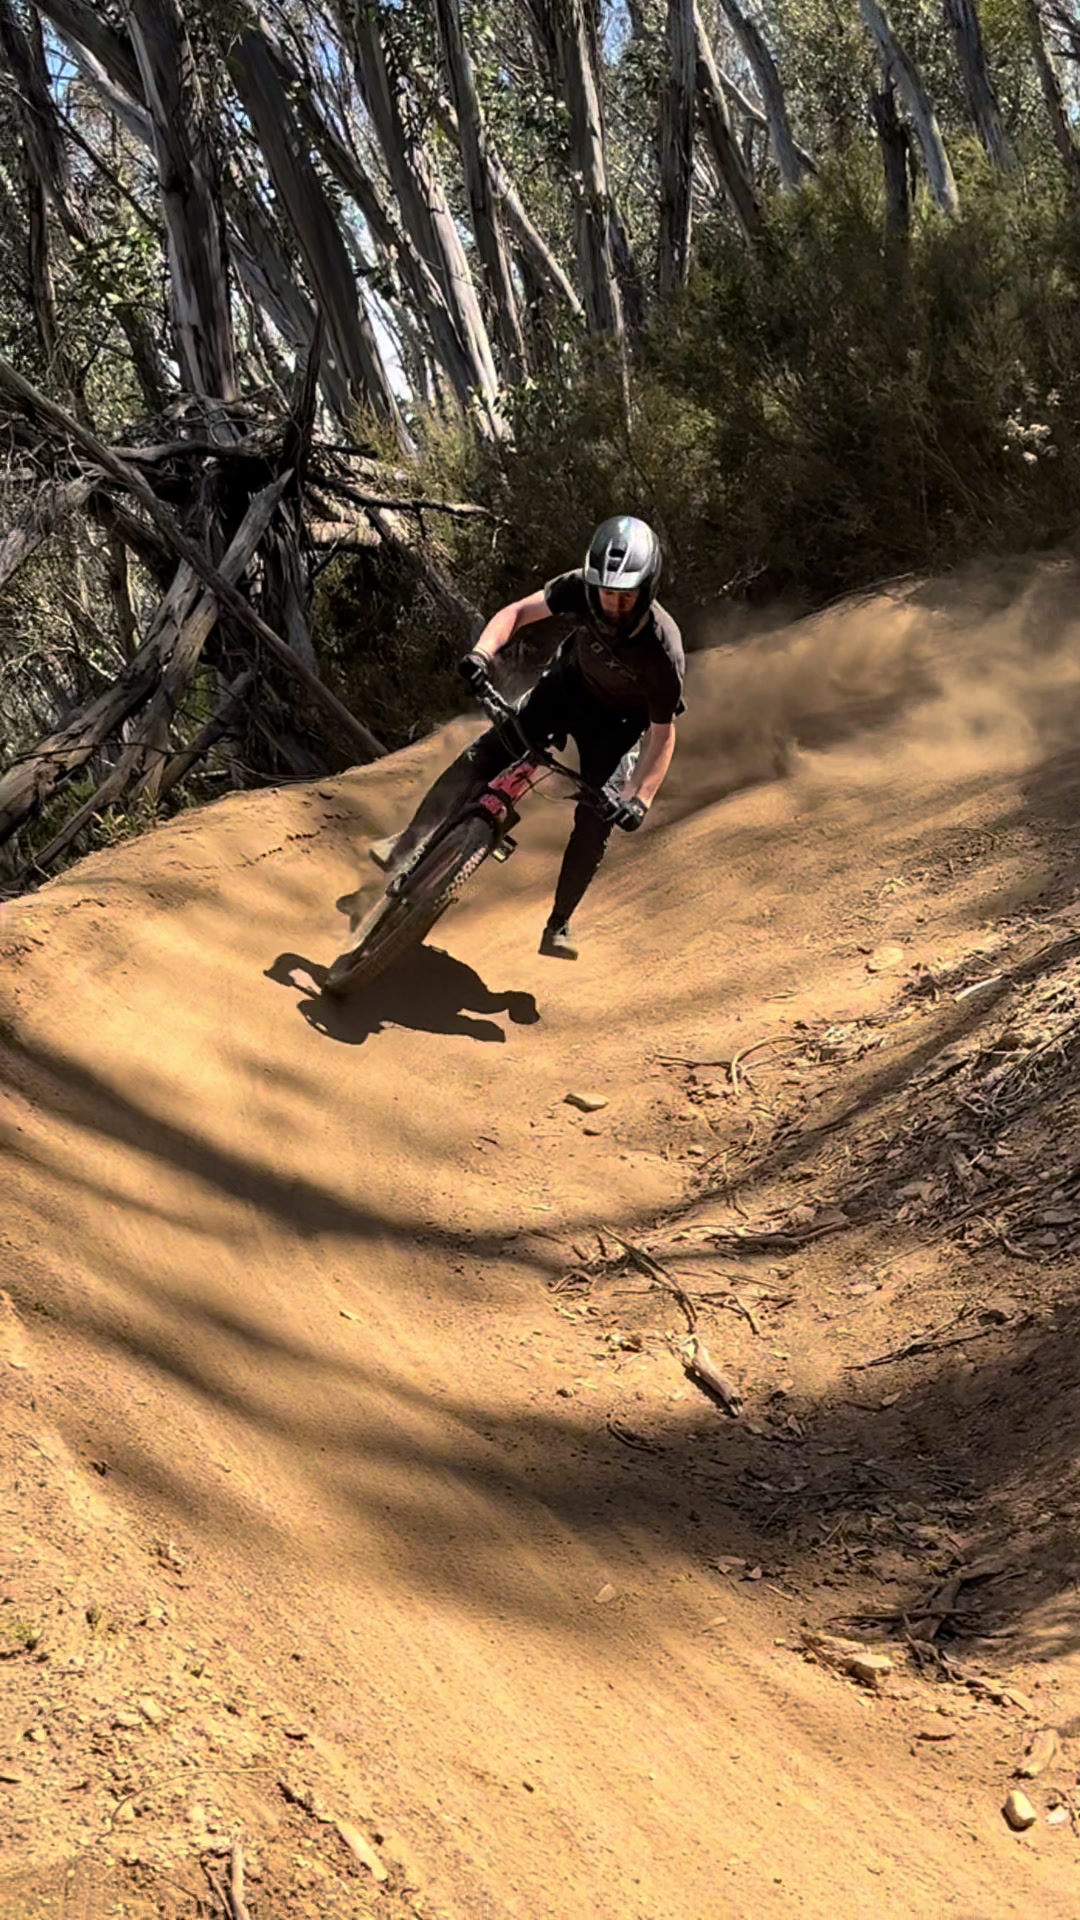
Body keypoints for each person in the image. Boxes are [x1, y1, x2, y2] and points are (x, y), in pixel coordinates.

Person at [371, 515, 684, 960]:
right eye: (605, 593)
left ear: (646, 590)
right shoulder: (581, 587)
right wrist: (482, 653)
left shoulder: (663, 649)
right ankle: (406, 844)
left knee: (596, 820)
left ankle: (558, 924)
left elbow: (663, 736)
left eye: (625, 597)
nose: (612, 605)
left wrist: (639, 801)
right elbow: (517, 613)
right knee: (486, 753)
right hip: (566, 689)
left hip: (617, 728)